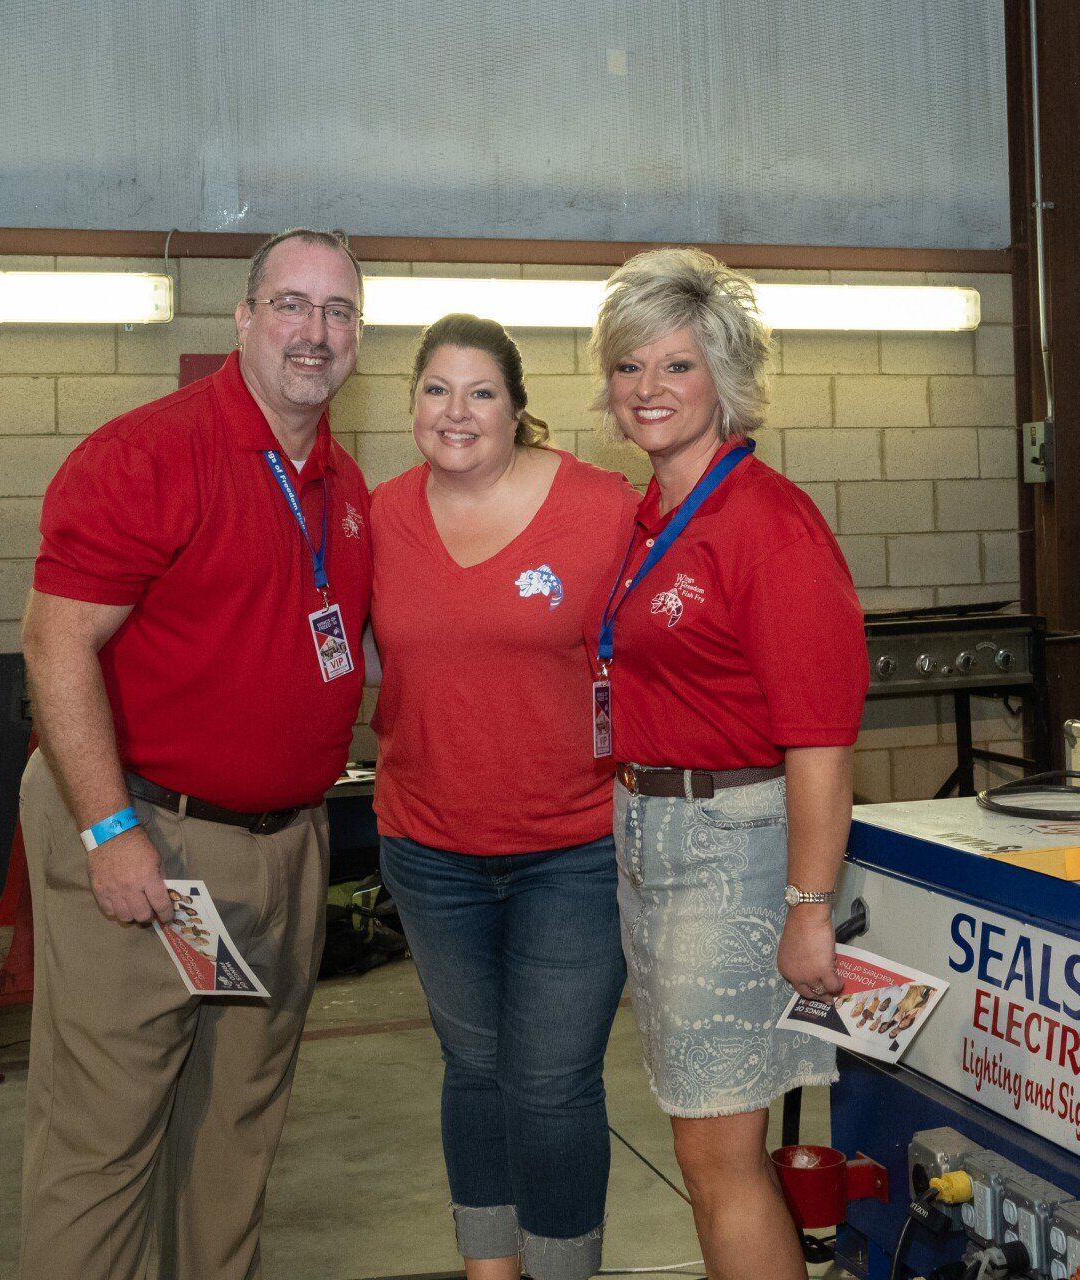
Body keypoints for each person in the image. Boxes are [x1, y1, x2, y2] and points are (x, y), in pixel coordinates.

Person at [18, 227, 372, 1280]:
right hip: (152, 840)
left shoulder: (342, 485)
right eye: (292, 305)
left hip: (281, 851)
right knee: (104, 1133)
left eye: (339, 311)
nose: (315, 332)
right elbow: (55, 639)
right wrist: (111, 826)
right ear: (245, 317)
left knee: (234, 1132)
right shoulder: (151, 453)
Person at [585, 248, 870, 1280]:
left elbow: (821, 736)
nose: (648, 390)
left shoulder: (768, 524)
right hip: (653, 832)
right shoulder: (647, 517)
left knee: (719, 1149)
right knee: (700, 1138)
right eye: (629, 368)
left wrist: (808, 901)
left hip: (735, 846)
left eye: (675, 367)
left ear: (725, 381)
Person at [368, 313, 640, 1280]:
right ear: (411, 407)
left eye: (481, 391)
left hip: (573, 847)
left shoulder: (605, 507)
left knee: (553, 1083)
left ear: (520, 411)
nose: (457, 411)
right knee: (475, 1071)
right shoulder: (378, 516)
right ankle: (490, 1268)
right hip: (428, 846)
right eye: (436, 389)